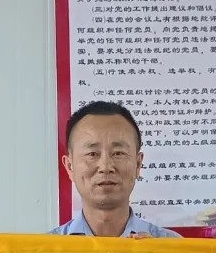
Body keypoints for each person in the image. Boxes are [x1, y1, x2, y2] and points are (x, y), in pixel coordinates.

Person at [52, 100, 181, 238]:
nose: (105, 167)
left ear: (137, 164)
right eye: (92, 154)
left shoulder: (172, 246)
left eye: (118, 153)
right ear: (70, 167)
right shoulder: (45, 249)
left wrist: (159, 252)